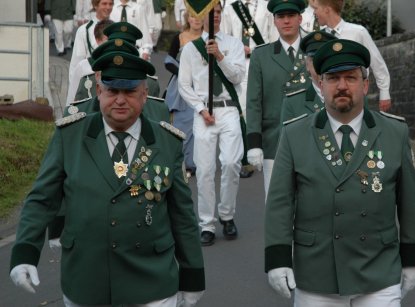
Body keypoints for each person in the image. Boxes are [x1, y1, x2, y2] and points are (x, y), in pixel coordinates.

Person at [10, 43, 205, 307]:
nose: (121, 99)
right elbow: (42, 199)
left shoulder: (166, 141)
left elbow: (182, 215)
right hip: (86, 281)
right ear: (99, 91)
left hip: (152, 282)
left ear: (145, 95)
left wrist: (192, 275)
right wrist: (25, 253)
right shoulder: (71, 136)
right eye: (113, 91)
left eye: (130, 91)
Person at [264, 39, 415, 306]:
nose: (341, 86)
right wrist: (277, 259)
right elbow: (280, 202)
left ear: (365, 84)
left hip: (378, 269)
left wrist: (412, 258)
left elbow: (410, 202)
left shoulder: (395, 133)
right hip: (317, 273)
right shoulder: (294, 134)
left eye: (350, 78)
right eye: (333, 78)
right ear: (320, 84)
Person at [178, 3, 246, 246]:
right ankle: (207, 223)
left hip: (228, 109)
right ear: (201, 16)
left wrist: (219, 55)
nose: (215, 16)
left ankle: (227, 215)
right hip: (204, 112)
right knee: (205, 170)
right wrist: (200, 109)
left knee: (230, 162)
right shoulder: (190, 49)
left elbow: (237, 76)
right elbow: (184, 85)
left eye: (218, 12)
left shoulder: (234, 44)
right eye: (210, 12)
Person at [246, 0, 308, 198]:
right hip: (274, 139)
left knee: (310, 203)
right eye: (281, 17)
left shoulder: (315, 51)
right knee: (276, 201)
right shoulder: (261, 55)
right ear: (274, 21)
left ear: (300, 18)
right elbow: (253, 101)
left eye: (291, 15)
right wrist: (254, 142)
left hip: (311, 137)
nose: (286, 21)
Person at [221, 0, 279, 178]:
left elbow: (273, 37)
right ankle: (247, 157)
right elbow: (224, 38)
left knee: (267, 106)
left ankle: (268, 151)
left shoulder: (266, 7)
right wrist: (238, 48)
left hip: (263, 63)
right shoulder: (231, 8)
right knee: (245, 110)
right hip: (240, 65)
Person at [311, 0, 392, 112]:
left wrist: (384, 93)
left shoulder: (358, 32)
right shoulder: (318, 38)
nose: (314, 13)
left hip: (356, 99)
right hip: (329, 100)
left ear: (327, 9)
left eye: (316, 9)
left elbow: (377, 63)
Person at [165, 12, 203, 178]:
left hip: (203, 87)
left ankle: (195, 164)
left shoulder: (211, 38)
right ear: (188, 19)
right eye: (193, 16)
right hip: (181, 87)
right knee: (182, 125)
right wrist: (185, 74)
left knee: (200, 125)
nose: (196, 20)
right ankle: (183, 164)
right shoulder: (179, 37)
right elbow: (168, 61)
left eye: (199, 16)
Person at [280, 30, 336, 123]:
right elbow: (287, 137)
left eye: (324, 58)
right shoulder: (293, 103)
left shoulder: (353, 96)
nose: (319, 64)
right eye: (314, 60)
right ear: (307, 65)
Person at [66, 18, 113, 106]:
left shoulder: (123, 66)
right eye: (108, 40)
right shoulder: (84, 67)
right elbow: (72, 97)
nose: (112, 44)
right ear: (98, 40)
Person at [69, 0, 113, 90]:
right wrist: (74, 92)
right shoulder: (84, 30)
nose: (108, 7)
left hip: (113, 84)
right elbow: (76, 64)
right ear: (95, 5)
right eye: (104, 4)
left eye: (110, 4)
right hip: (90, 85)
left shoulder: (117, 28)